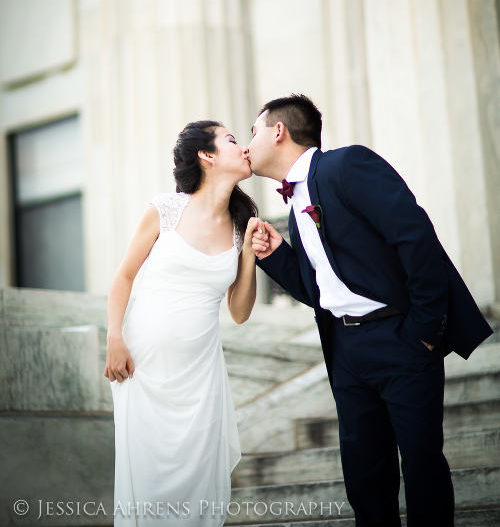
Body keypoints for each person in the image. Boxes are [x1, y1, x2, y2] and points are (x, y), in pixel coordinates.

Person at [247, 94, 493, 527]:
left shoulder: (347, 166)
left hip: (402, 340)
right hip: (346, 352)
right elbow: (319, 289)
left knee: (421, 466)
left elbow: (415, 237)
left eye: (253, 131)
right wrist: (276, 255)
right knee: (365, 477)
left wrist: (424, 329)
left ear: (279, 131)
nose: (248, 144)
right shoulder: (293, 203)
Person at [104, 121, 258, 526]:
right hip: (144, 368)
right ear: (206, 156)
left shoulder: (243, 225)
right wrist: (114, 336)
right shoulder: (165, 209)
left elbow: (239, 313)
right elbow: (123, 275)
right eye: (231, 140)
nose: (244, 148)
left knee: (196, 493)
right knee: (149, 487)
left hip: (200, 378)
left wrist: (250, 258)